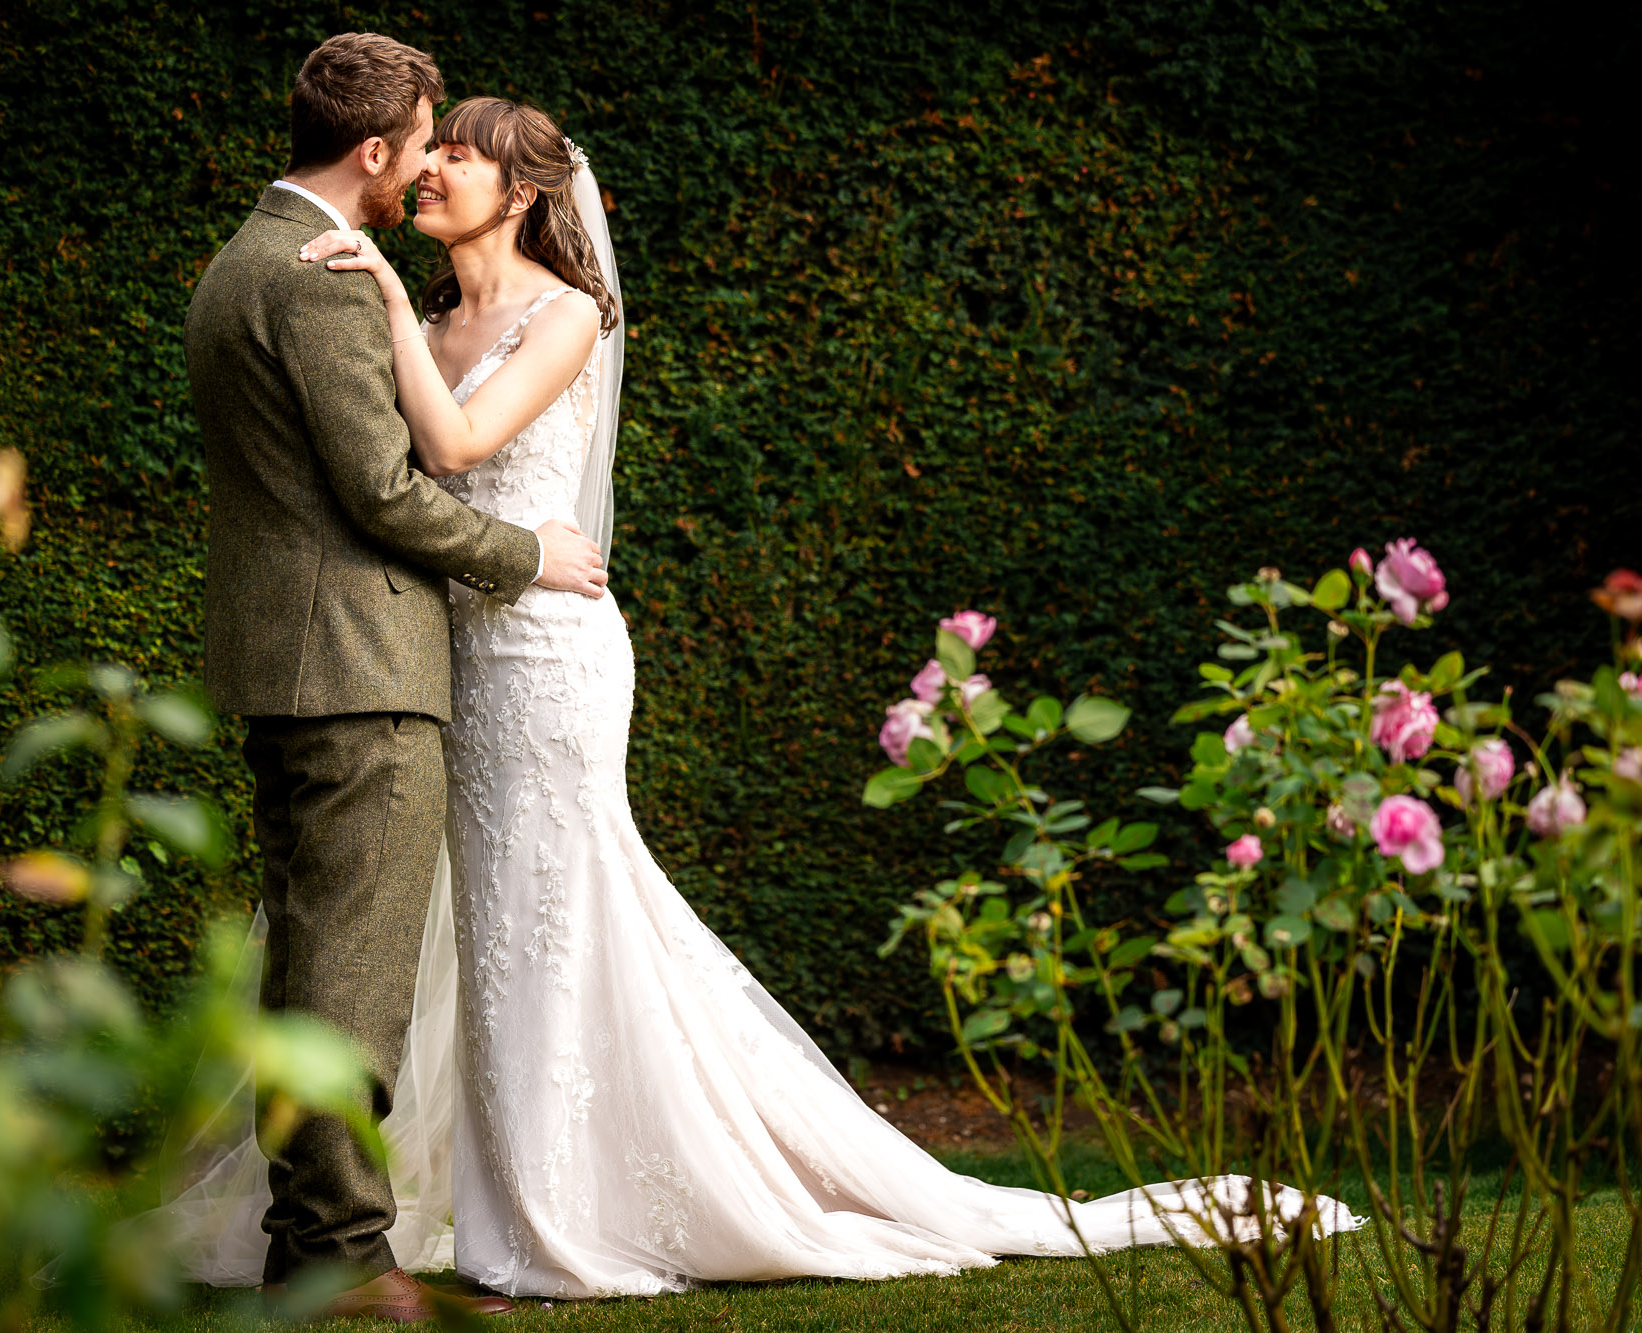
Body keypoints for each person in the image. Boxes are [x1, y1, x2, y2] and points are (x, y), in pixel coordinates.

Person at [272, 91, 1366, 1299]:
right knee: (497, 917)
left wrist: (373, 291)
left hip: (547, 657)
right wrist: (388, 312)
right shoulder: (434, 317)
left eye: (457, 157)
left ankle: (589, 1196)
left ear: (520, 191)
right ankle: (523, 1181)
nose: (428, 173)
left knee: (563, 899)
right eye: (430, 156)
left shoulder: (568, 313)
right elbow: (403, 469)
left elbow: (463, 449)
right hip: (460, 659)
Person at [180, 32, 606, 1322]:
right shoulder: (316, 279)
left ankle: (320, 1229)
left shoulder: (245, 259)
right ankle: (337, 1248)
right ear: (374, 149)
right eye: (424, 142)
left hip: (310, 657)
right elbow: (379, 491)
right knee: (349, 974)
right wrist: (525, 552)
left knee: (317, 958)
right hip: (357, 661)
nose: (424, 167)